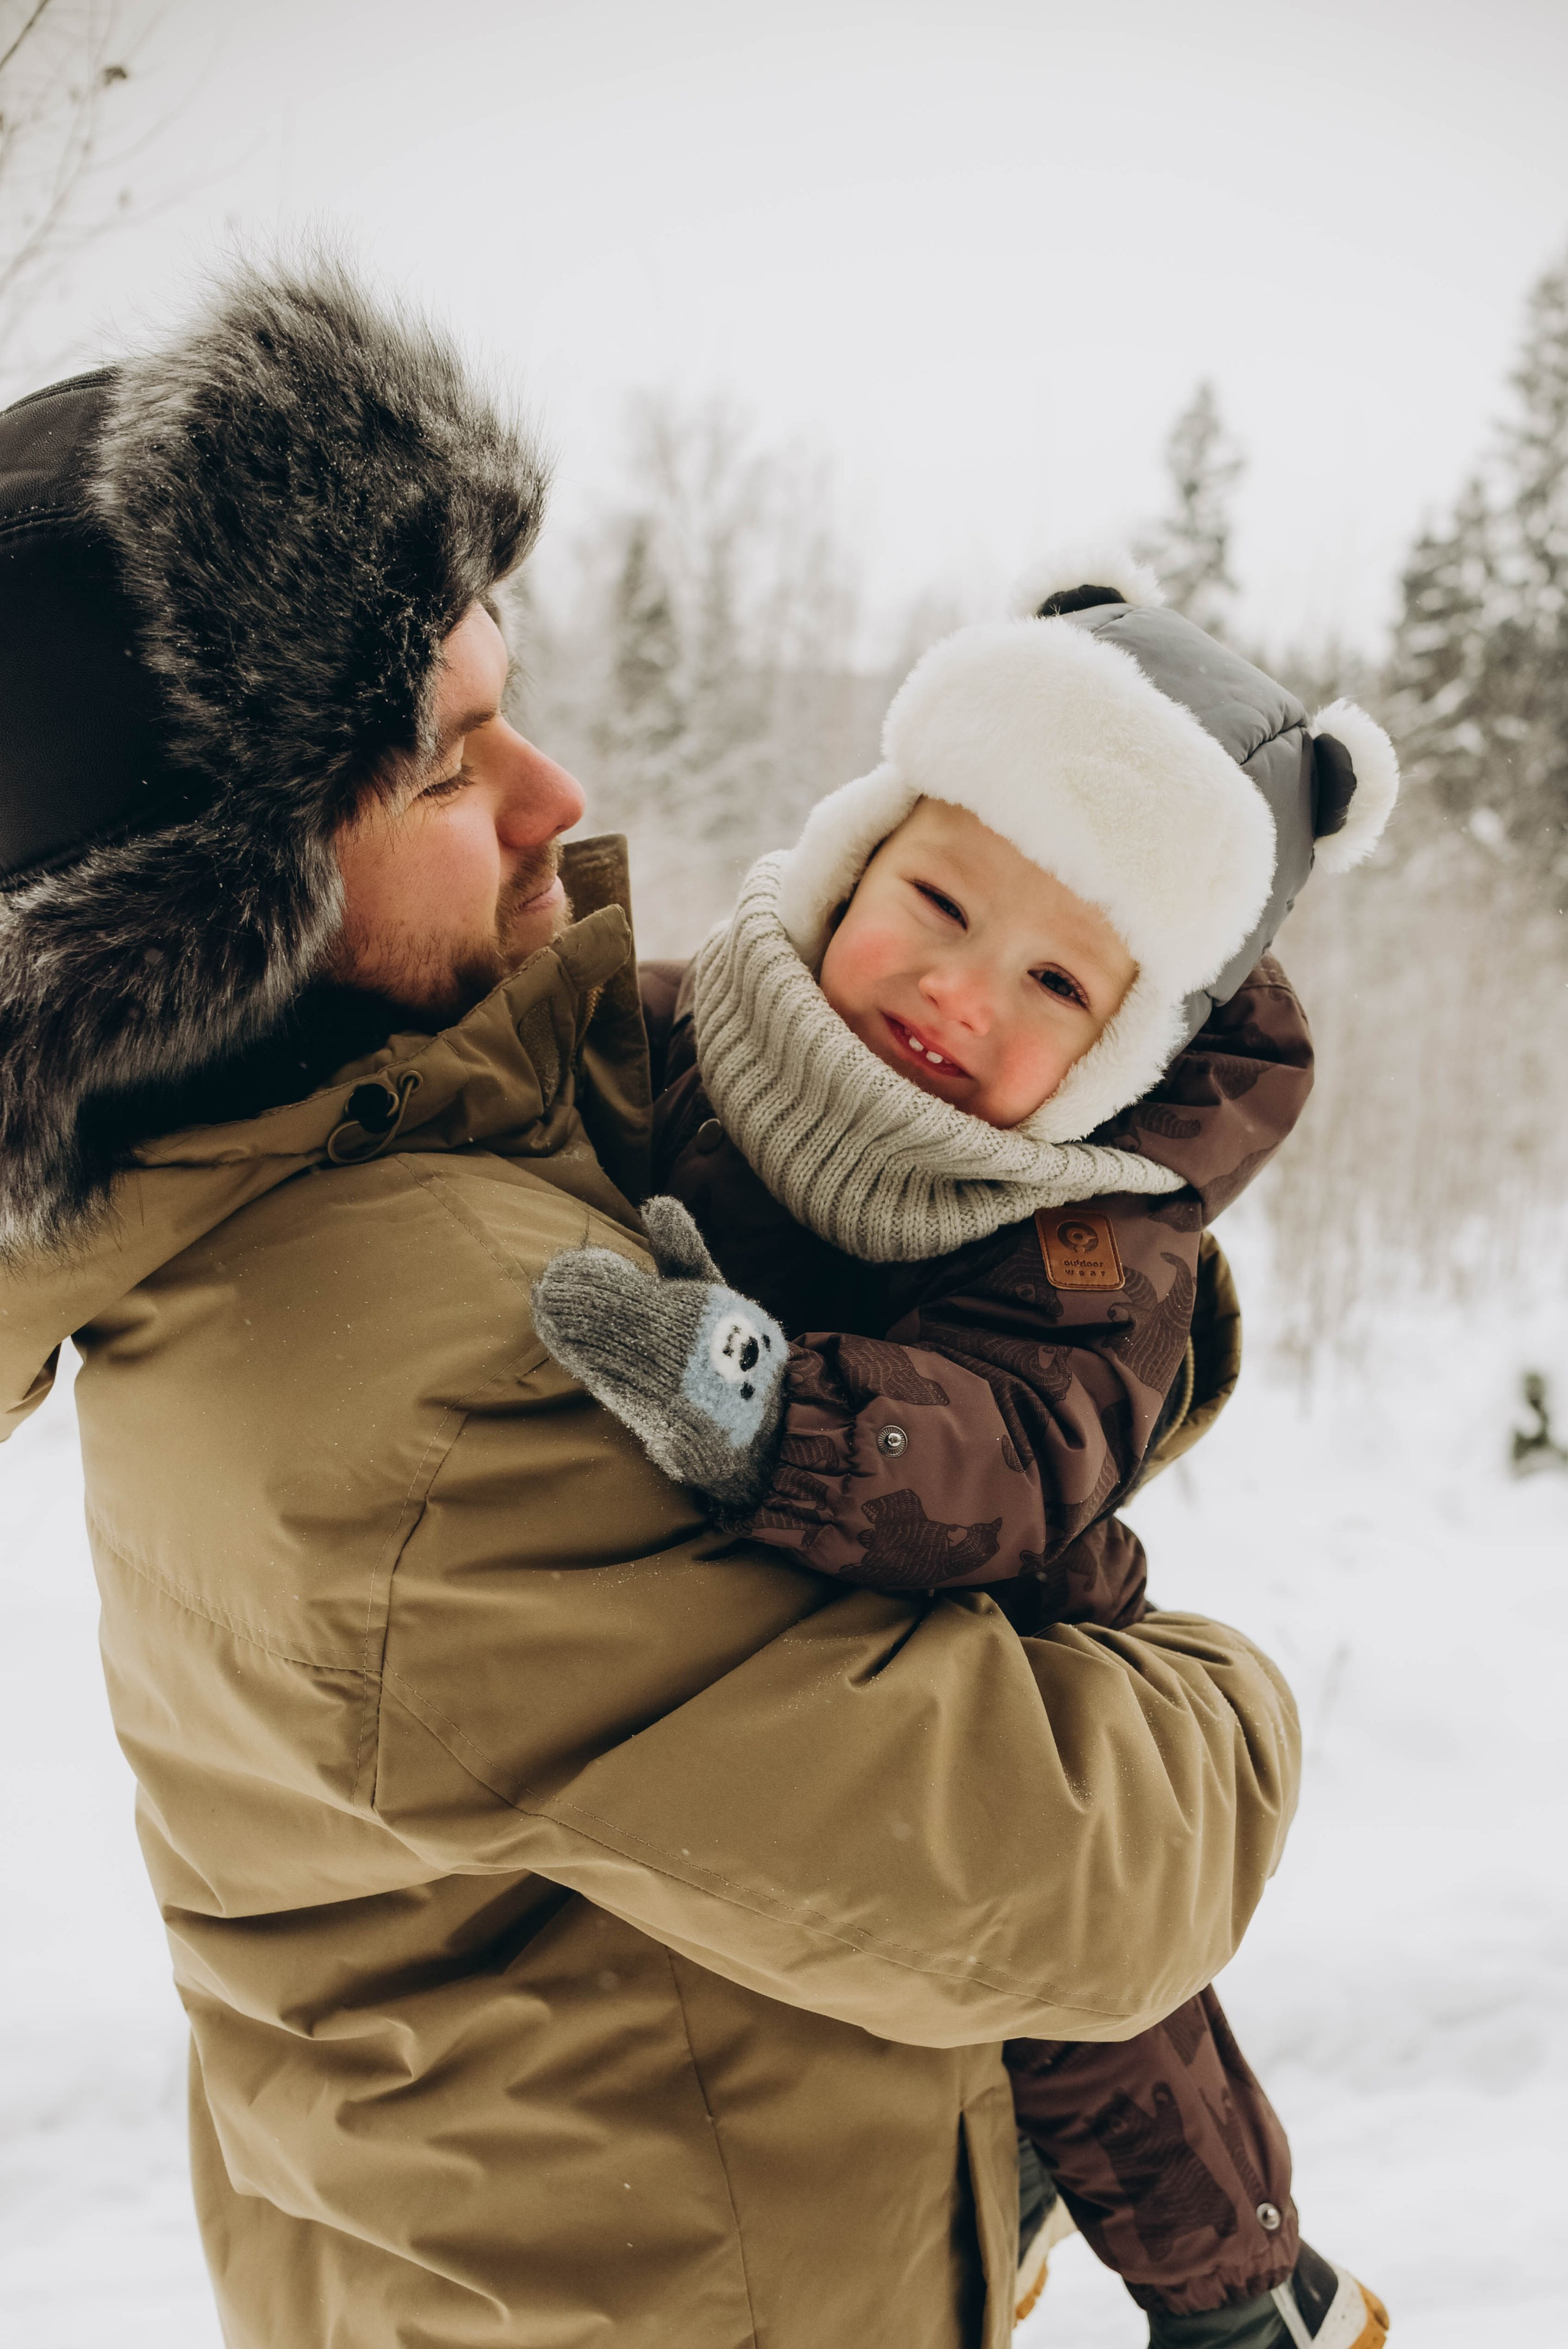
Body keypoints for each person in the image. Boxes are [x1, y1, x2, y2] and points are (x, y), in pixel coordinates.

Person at [0, 261, 1301, 2349]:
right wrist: (1220, 1693)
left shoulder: (346, 1163)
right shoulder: (424, 1371)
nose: (554, 797)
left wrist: (1081, 1298)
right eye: (444, 772)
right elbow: (1076, 1869)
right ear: (208, 918)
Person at [532, 566, 1399, 2348]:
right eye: (939, 896)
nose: (961, 987)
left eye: (1059, 978)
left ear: (1121, 1048)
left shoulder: (1099, 1235)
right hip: (741, 1659)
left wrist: (779, 1408)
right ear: (857, 851)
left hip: (1003, 1621)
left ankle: (1241, 2288)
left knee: (1079, 1972)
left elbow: (1023, 1443)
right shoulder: (679, 1032)